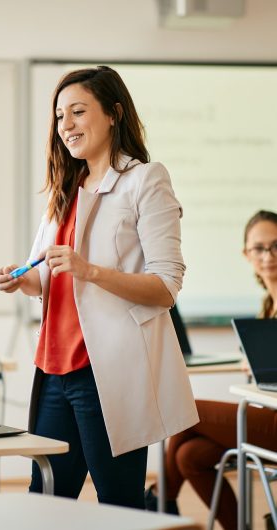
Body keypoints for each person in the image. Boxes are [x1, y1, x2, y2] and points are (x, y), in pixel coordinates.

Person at [0, 65, 198, 508]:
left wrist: (90, 271)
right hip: (53, 369)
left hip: (104, 371)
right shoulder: (65, 188)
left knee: (118, 502)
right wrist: (21, 280)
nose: (66, 125)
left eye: (79, 111)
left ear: (113, 114)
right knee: (45, 497)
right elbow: (47, 280)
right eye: (60, 116)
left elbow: (165, 287)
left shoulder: (145, 180)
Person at [145, 209, 277, 530]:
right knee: (189, 455)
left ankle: (158, 500)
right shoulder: (267, 305)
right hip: (268, 411)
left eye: (276, 246)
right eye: (259, 248)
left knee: (188, 410)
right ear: (246, 255)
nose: (268, 255)